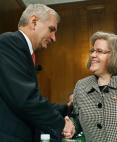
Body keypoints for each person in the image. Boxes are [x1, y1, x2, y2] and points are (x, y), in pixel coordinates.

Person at [0, 4, 74, 142]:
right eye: (51, 30)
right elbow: (25, 99)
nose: (54, 38)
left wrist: (67, 108)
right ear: (34, 22)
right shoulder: (9, 43)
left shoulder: (23, 49)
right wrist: (62, 124)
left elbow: (30, 98)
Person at [63, 31, 117, 142]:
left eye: (99, 51)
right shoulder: (81, 86)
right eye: (92, 51)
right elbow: (76, 117)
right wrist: (72, 125)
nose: (93, 55)